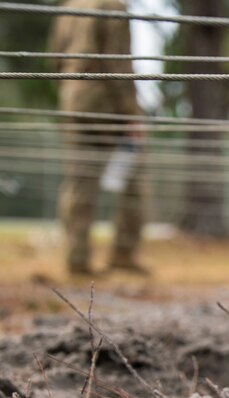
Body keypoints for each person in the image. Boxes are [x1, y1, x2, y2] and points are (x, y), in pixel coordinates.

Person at [49, 0, 147, 276]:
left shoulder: (68, 6)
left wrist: (69, 90)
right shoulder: (112, 6)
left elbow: (55, 58)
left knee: (79, 179)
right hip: (105, 103)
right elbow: (117, 62)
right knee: (134, 175)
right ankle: (123, 252)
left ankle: (76, 257)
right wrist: (131, 113)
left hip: (72, 98)